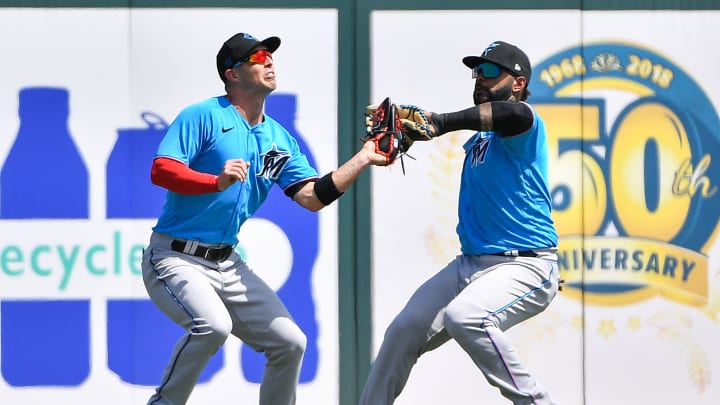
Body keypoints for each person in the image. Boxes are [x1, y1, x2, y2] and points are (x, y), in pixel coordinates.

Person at [141, 32, 388, 405]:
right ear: (233, 74)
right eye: (257, 56)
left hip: (227, 262)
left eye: (270, 55)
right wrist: (215, 180)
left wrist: (363, 158)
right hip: (175, 256)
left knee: (289, 343)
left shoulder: (278, 138)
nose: (269, 61)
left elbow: (312, 197)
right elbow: (162, 170)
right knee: (212, 326)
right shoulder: (204, 115)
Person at [359, 41, 563, 405]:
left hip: (523, 262)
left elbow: (510, 115)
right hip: (473, 263)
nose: (479, 78)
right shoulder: (481, 138)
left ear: (518, 83)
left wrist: (439, 122)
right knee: (402, 332)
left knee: (465, 316)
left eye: (489, 71)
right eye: (475, 72)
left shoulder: (524, 121)